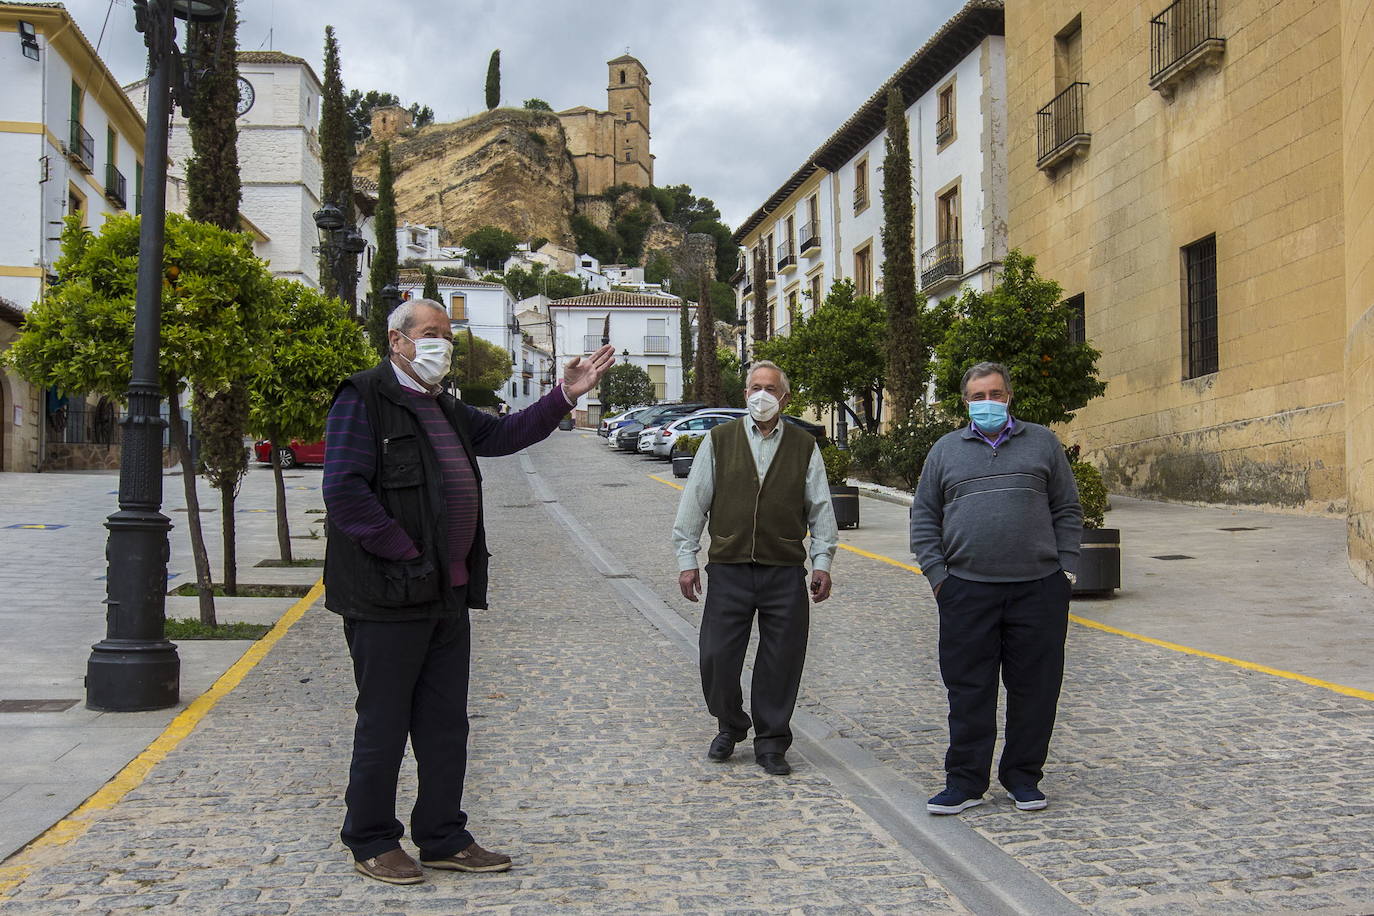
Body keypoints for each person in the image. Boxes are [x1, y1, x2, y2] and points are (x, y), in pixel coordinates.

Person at [322, 298, 614, 884]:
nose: (443, 344)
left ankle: (442, 836)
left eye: (449, 335)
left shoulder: (445, 407)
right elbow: (345, 493)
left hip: (446, 596)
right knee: (383, 720)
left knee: (445, 724)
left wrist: (566, 394)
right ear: (396, 339)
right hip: (387, 596)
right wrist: (407, 553)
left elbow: (508, 434)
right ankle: (372, 839)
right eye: (432, 333)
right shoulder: (364, 398)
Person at [909, 361, 1082, 815]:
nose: (988, 403)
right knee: (968, 690)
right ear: (965, 402)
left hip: (1038, 590)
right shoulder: (945, 451)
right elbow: (924, 516)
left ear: (1010, 397)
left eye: (996, 394)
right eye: (978, 397)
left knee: (1036, 689)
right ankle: (964, 781)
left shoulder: (1043, 443)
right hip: (967, 590)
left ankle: (1024, 778)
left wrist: (1066, 570)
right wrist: (938, 577)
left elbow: (1067, 508)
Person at [671, 361, 838, 777]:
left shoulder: (803, 446)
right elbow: (694, 502)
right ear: (745, 394)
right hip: (728, 567)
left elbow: (820, 509)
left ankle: (771, 741)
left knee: (781, 660)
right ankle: (730, 723)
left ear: (785, 398)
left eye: (770, 388)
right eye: (754, 387)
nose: (761, 395)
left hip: (783, 569)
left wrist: (822, 562)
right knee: (715, 656)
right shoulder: (719, 440)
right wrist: (686, 559)